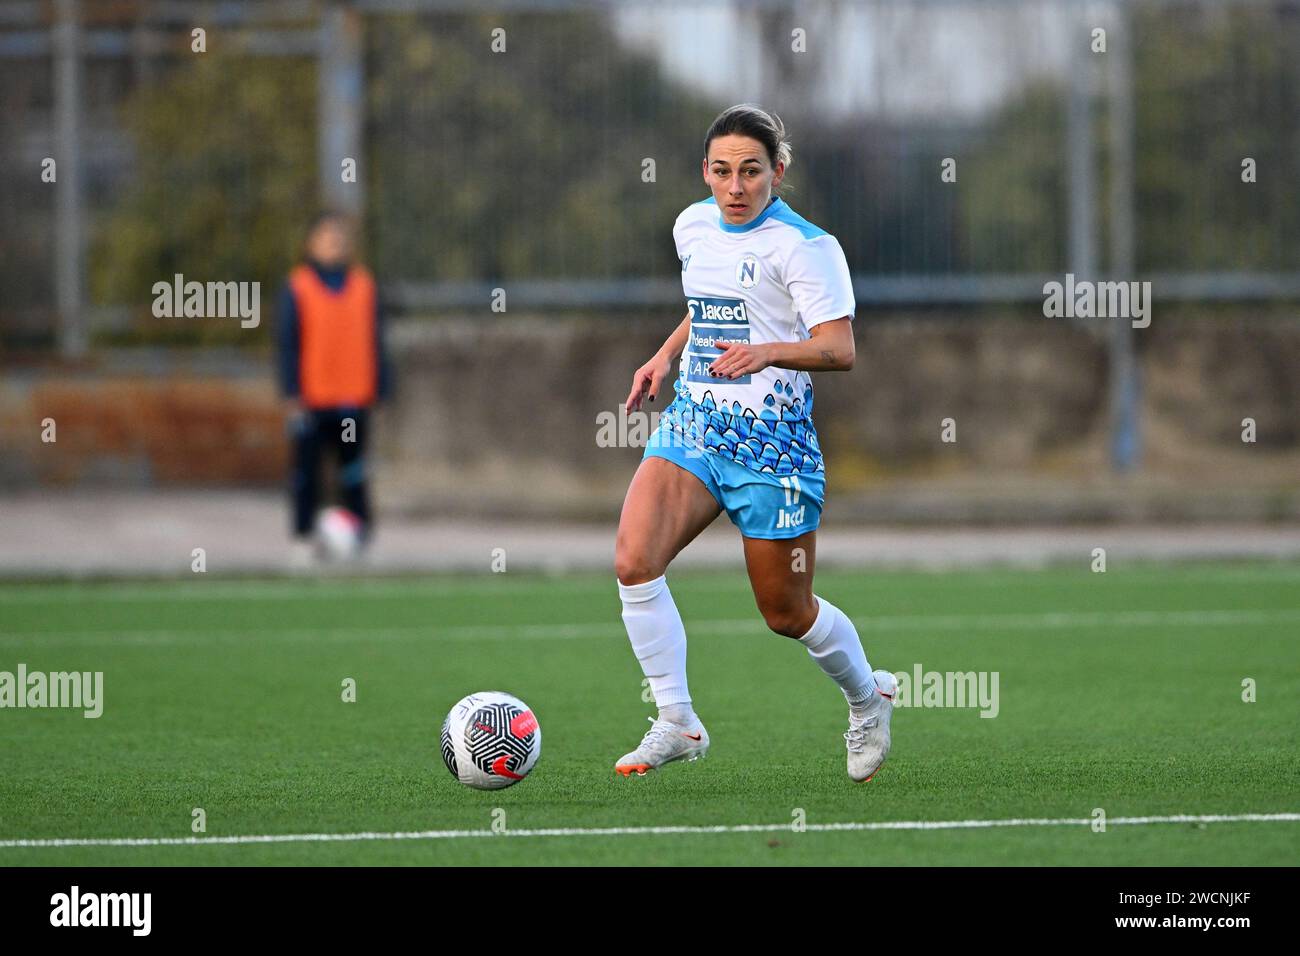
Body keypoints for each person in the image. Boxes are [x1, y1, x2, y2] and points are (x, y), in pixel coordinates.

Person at [614, 104, 897, 781]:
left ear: (777, 171)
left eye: (750, 171)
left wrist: (764, 353)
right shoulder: (691, 226)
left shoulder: (806, 247)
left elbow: (838, 348)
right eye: (721, 171)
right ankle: (677, 719)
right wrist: (663, 354)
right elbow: (705, 302)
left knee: (786, 612)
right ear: (704, 173)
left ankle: (869, 698)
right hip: (695, 422)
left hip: (775, 446)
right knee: (633, 560)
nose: (735, 187)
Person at [276, 211, 390, 567]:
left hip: (352, 399)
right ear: (311, 243)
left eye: (340, 238)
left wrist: (381, 385)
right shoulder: (297, 287)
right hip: (312, 400)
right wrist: (291, 392)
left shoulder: (363, 286)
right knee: (306, 473)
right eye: (327, 238)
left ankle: (359, 537)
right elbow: (287, 343)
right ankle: (302, 537)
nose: (334, 244)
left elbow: (376, 339)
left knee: (354, 472)